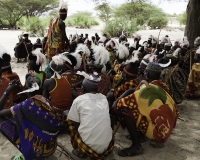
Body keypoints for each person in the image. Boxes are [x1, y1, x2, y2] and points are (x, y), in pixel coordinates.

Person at [113, 62, 179, 157]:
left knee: (125, 108)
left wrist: (118, 100)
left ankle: (136, 146)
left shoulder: (148, 89)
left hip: (158, 132)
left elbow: (123, 102)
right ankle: (141, 136)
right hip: (166, 128)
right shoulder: (162, 86)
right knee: (142, 108)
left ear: (147, 74)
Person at [0, 77, 64, 160]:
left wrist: (7, 91)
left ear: (26, 89)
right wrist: (20, 89)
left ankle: (24, 151)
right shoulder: (45, 100)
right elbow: (29, 102)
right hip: (50, 147)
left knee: (1, 120)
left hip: (36, 152)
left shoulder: (25, 106)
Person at [66, 71, 114, 159]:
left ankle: (80, 151)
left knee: (69, 120)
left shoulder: (78, 100)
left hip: (88, 148)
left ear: (83, 88)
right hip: (107, 148)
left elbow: (76, 124)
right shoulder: (104, 98)